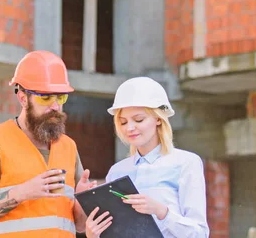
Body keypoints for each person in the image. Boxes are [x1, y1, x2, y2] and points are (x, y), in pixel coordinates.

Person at [0, 50, 97, 237]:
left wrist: (84, 200)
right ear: (22, 98)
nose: (55, 106)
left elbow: (79, 225)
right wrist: (22, 193)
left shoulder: (68, 147)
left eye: (60, 97)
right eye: (46, 97)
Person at [84, 77, 210, 238]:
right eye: (123, 122)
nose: (129, 128)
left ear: (158, 118)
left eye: (138, 119)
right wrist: (93, 235)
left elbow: (199, 234)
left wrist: (161, 211)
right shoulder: (117, 172)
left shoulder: (186, 163)